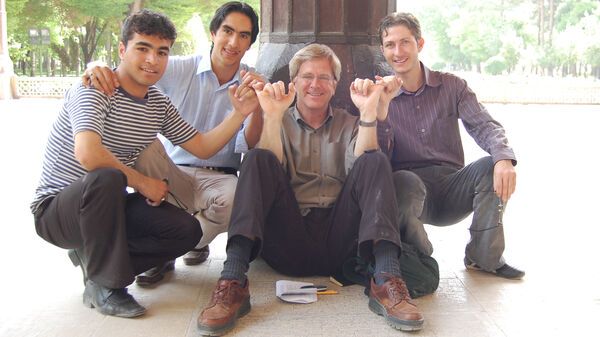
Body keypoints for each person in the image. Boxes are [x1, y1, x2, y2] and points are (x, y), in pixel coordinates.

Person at [31, 9, 258, 318]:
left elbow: (202, 146)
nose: (153, 60)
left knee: (186, 230)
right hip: (58, 210)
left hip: (108, 209)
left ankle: (96, 261)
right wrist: (142, 182)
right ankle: (105, 284)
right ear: (122, 50)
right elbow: (89, 155)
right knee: (108, 175)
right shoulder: (95, 88)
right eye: (143, 48)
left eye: (161, 52)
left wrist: (239, 114)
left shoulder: (156, 103)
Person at [196, 44, 424, 336]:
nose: (315, 84)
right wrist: (274, 116)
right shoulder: (278, 119)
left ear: (334, 85)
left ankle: (387, 279)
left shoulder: (350, 123)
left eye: (323, 77)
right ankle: (233, 282)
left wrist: (368, 112)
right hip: (288, 241)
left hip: (342, 243)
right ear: (294, 83)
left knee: (374, 158)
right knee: (256, 157)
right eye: (306, 76)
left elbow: (365, 169)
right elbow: (267, 171)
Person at [82, 1, 263, 286]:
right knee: (147, 144)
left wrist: (258, 107)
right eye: (227, 31)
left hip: (219, 179)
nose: (233, 41)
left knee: (237, 198)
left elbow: (249, 143)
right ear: (213, 32)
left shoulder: (251, 82)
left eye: (243, 35)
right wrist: (97, 67)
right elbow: (134, 68)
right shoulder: (178, 68)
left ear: (251, 43)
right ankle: (164, 249)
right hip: (171, 170)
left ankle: (174, 246)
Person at [376, 12, 524, 279]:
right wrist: (382, 108)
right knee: (403, 183)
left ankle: (483, 256)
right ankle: (422, 257)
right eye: (390, 45)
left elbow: (483, 124)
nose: (398, 51)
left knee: (494, 165)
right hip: (409, 191)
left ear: (419, 44)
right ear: (383, 50)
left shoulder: (452, 86)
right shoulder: (379, 96)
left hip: (452, 186)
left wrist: (503, 158)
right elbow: (379, 157)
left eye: (405, 42)